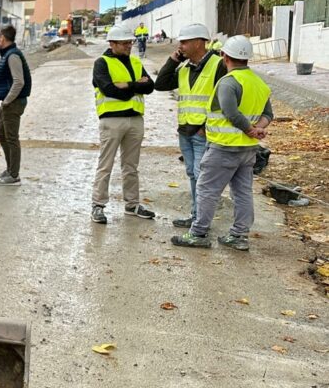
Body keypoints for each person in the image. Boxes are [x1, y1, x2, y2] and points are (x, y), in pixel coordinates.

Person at [172, 36, 273, 251]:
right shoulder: (259, 83)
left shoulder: (228, 82)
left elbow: (231, 113)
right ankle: (239, 235)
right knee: (242, 192)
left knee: (207, 189)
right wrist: (258, 129)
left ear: (224, 56)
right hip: (247, 149)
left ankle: (198, 233)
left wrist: (249, 129)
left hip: (224, 147)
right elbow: (268, 114)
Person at [153, 23, 227, 228]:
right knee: (193, 175)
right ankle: (196, 216)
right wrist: (173, 60)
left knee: (202, 177)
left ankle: (201, 221)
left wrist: (205, 128)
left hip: (203, 132)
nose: (180, 46)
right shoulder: (185, 68)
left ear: (198, 43)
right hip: (185, 131)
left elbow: (223, 100)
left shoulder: (218, 65)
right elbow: (160, 84)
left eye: (184, 42)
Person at [91, 26, 156, 223]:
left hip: (135, 119)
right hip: (112, 120)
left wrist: (127, 85)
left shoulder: (135, 62)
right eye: (125, 43)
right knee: (106, 164)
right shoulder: (102, 63)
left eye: (130, 42)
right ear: (112, 44)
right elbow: (109, 89)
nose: (129, 46)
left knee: (131, 166)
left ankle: (132, 204)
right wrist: (137, 86)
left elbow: (150, 86)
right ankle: (98, 205)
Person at [0, 25, 31, 186]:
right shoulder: (8, 54)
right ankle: (10, 169)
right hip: (10, 102)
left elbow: (19, 81)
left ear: (2, 38)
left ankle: (14, 175)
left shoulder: (12, 55)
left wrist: (7, 101)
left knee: (12, 138)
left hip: (13, 103)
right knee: (1, 134)